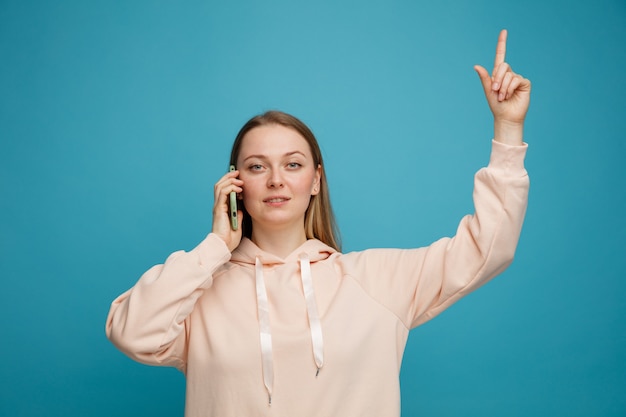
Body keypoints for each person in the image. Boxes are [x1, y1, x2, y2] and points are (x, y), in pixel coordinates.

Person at [106, 29, 531, 417]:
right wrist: (216, 245)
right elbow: (132, 332)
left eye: (292, 164)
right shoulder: (199, 296)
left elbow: (488, 248)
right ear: (235, 184)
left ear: (315, 180)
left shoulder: (378, 280)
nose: (276, 180)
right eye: (256, 167)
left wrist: (508, 129)